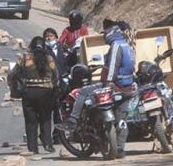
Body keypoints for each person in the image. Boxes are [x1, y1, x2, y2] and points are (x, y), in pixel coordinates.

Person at [56, 23, 136, 158]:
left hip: (115, 84)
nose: (104, 36)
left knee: (82, 92)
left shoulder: (116, 46)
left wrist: (109, 82)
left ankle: (73, 120)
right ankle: (120, 149)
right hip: (128, 86)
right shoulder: (127, 45)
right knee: (121, 120)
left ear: (111, 33)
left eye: (105, 33)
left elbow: (113, 65)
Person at [9, 36, 58, 154]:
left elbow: (13, 73)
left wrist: (14, 87)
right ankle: (47, 143)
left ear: (31, 46)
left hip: (29, 93)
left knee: (31, 121)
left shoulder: (25, 58)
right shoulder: (49, 58)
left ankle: (32, 148)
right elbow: (56, 75)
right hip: (46, 93)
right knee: (45, 118)